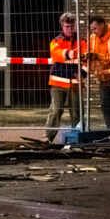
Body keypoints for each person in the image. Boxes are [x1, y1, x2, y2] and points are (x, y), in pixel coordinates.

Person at [45, 12, 86, 142]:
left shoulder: (82, 42)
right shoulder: (56, 41)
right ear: (62, 26)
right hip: (58, 83)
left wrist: (82, 74)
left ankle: (78, 137)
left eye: (71, 26)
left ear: (75, 26)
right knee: (55, 111)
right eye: (67, 26)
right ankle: (48, 137)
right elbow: (56, 54)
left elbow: (85, 61)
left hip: (75, 83)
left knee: (76, 113)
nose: (69, 29)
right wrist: (71, 54)